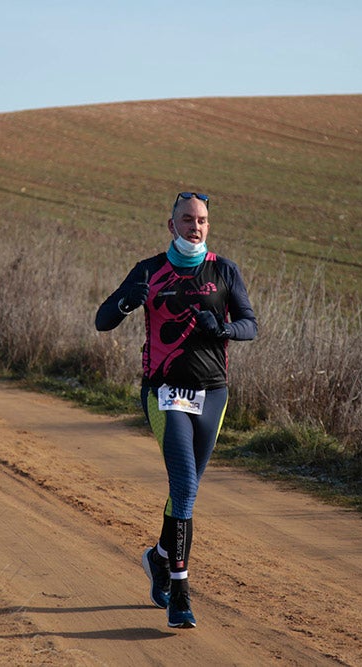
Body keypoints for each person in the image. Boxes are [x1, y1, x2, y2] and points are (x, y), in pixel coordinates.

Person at [95, 191, 257, 629]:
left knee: (186, 493)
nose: (195, 227)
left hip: (213, 394)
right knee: (183, 483)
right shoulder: (148, 270)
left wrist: (223, 327)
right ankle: (180, 594)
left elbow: (250, 325)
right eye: (187, 219)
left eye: (202, 220)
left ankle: (159, 556)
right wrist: (130, 301)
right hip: (164, 392)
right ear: (172, 225)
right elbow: (102, 319)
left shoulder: (224, 270)